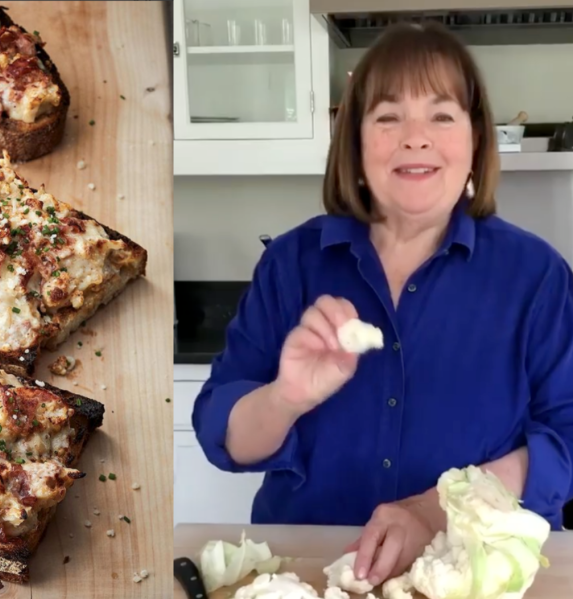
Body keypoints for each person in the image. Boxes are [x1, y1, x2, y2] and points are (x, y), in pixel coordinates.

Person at [191, 21, 573, 588]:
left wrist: (431, 512)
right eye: (389, 116)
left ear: (474, 139)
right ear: (356, 141)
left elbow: (566, 439)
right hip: (311, 575)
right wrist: (285, 398)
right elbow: (222, 435)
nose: (415, 137)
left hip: (474, 574)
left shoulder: (537, 276)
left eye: (441, 116)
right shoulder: (292, 263)